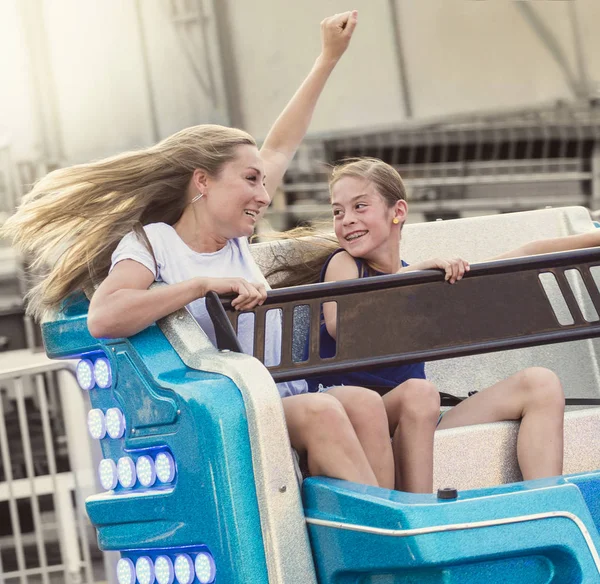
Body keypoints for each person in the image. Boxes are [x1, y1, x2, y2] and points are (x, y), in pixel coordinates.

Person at [3, 12, 396, 490]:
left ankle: (396, 532)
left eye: (261, 180)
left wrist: (327, 58)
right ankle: (387, 545)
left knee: (366, 402)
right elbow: (105, 317)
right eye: (249, 180)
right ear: (203, 182)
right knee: (323, 411)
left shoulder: (233, 236)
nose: (264, 193)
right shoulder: (154, 243)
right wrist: (200, 286)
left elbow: (282, 142)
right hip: (232, 407)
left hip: (279, 392)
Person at [266, 157, 595, 493]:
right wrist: (418, 273)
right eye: (338, 211)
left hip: (419, 419)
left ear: (398, 212)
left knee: (540, 384)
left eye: (360, 206)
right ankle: (422, 514)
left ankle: (548, 504)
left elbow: (527, 252)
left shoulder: (419, 277)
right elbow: (343, 325)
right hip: (361, 418)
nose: (347, 220)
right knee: (419, 393)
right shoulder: (345, 263)